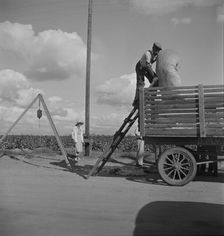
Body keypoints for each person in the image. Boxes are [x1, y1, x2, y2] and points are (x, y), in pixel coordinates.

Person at [132, 42, 162, 107]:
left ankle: (152, 99)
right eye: (156, 50)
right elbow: (148, 66)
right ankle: (136, 101)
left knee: (156, 82)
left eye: (158, 51)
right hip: (140, 67)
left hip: (146, 68)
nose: (157, 52)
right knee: (141, 84)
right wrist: (154, 76)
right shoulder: (148, 54)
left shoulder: (156, 56)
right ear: (153, 48)